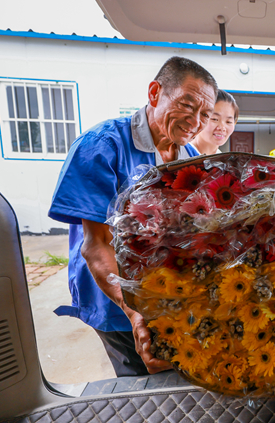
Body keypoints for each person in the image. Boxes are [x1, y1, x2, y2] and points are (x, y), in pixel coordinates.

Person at [48, 56, 218, 376]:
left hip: (170, 293)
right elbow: (96, 245)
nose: (196, 121)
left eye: (205, 114)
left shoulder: (191, 158)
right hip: (115, 295)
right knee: (140, 377)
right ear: (155, 93)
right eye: (187, 105)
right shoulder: (101, 146)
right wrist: (134, 309)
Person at [189, 90, 239, 155]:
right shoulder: (179, 154)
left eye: (228, 122)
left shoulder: (223, 161)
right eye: (215, 119)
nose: (222, 128)